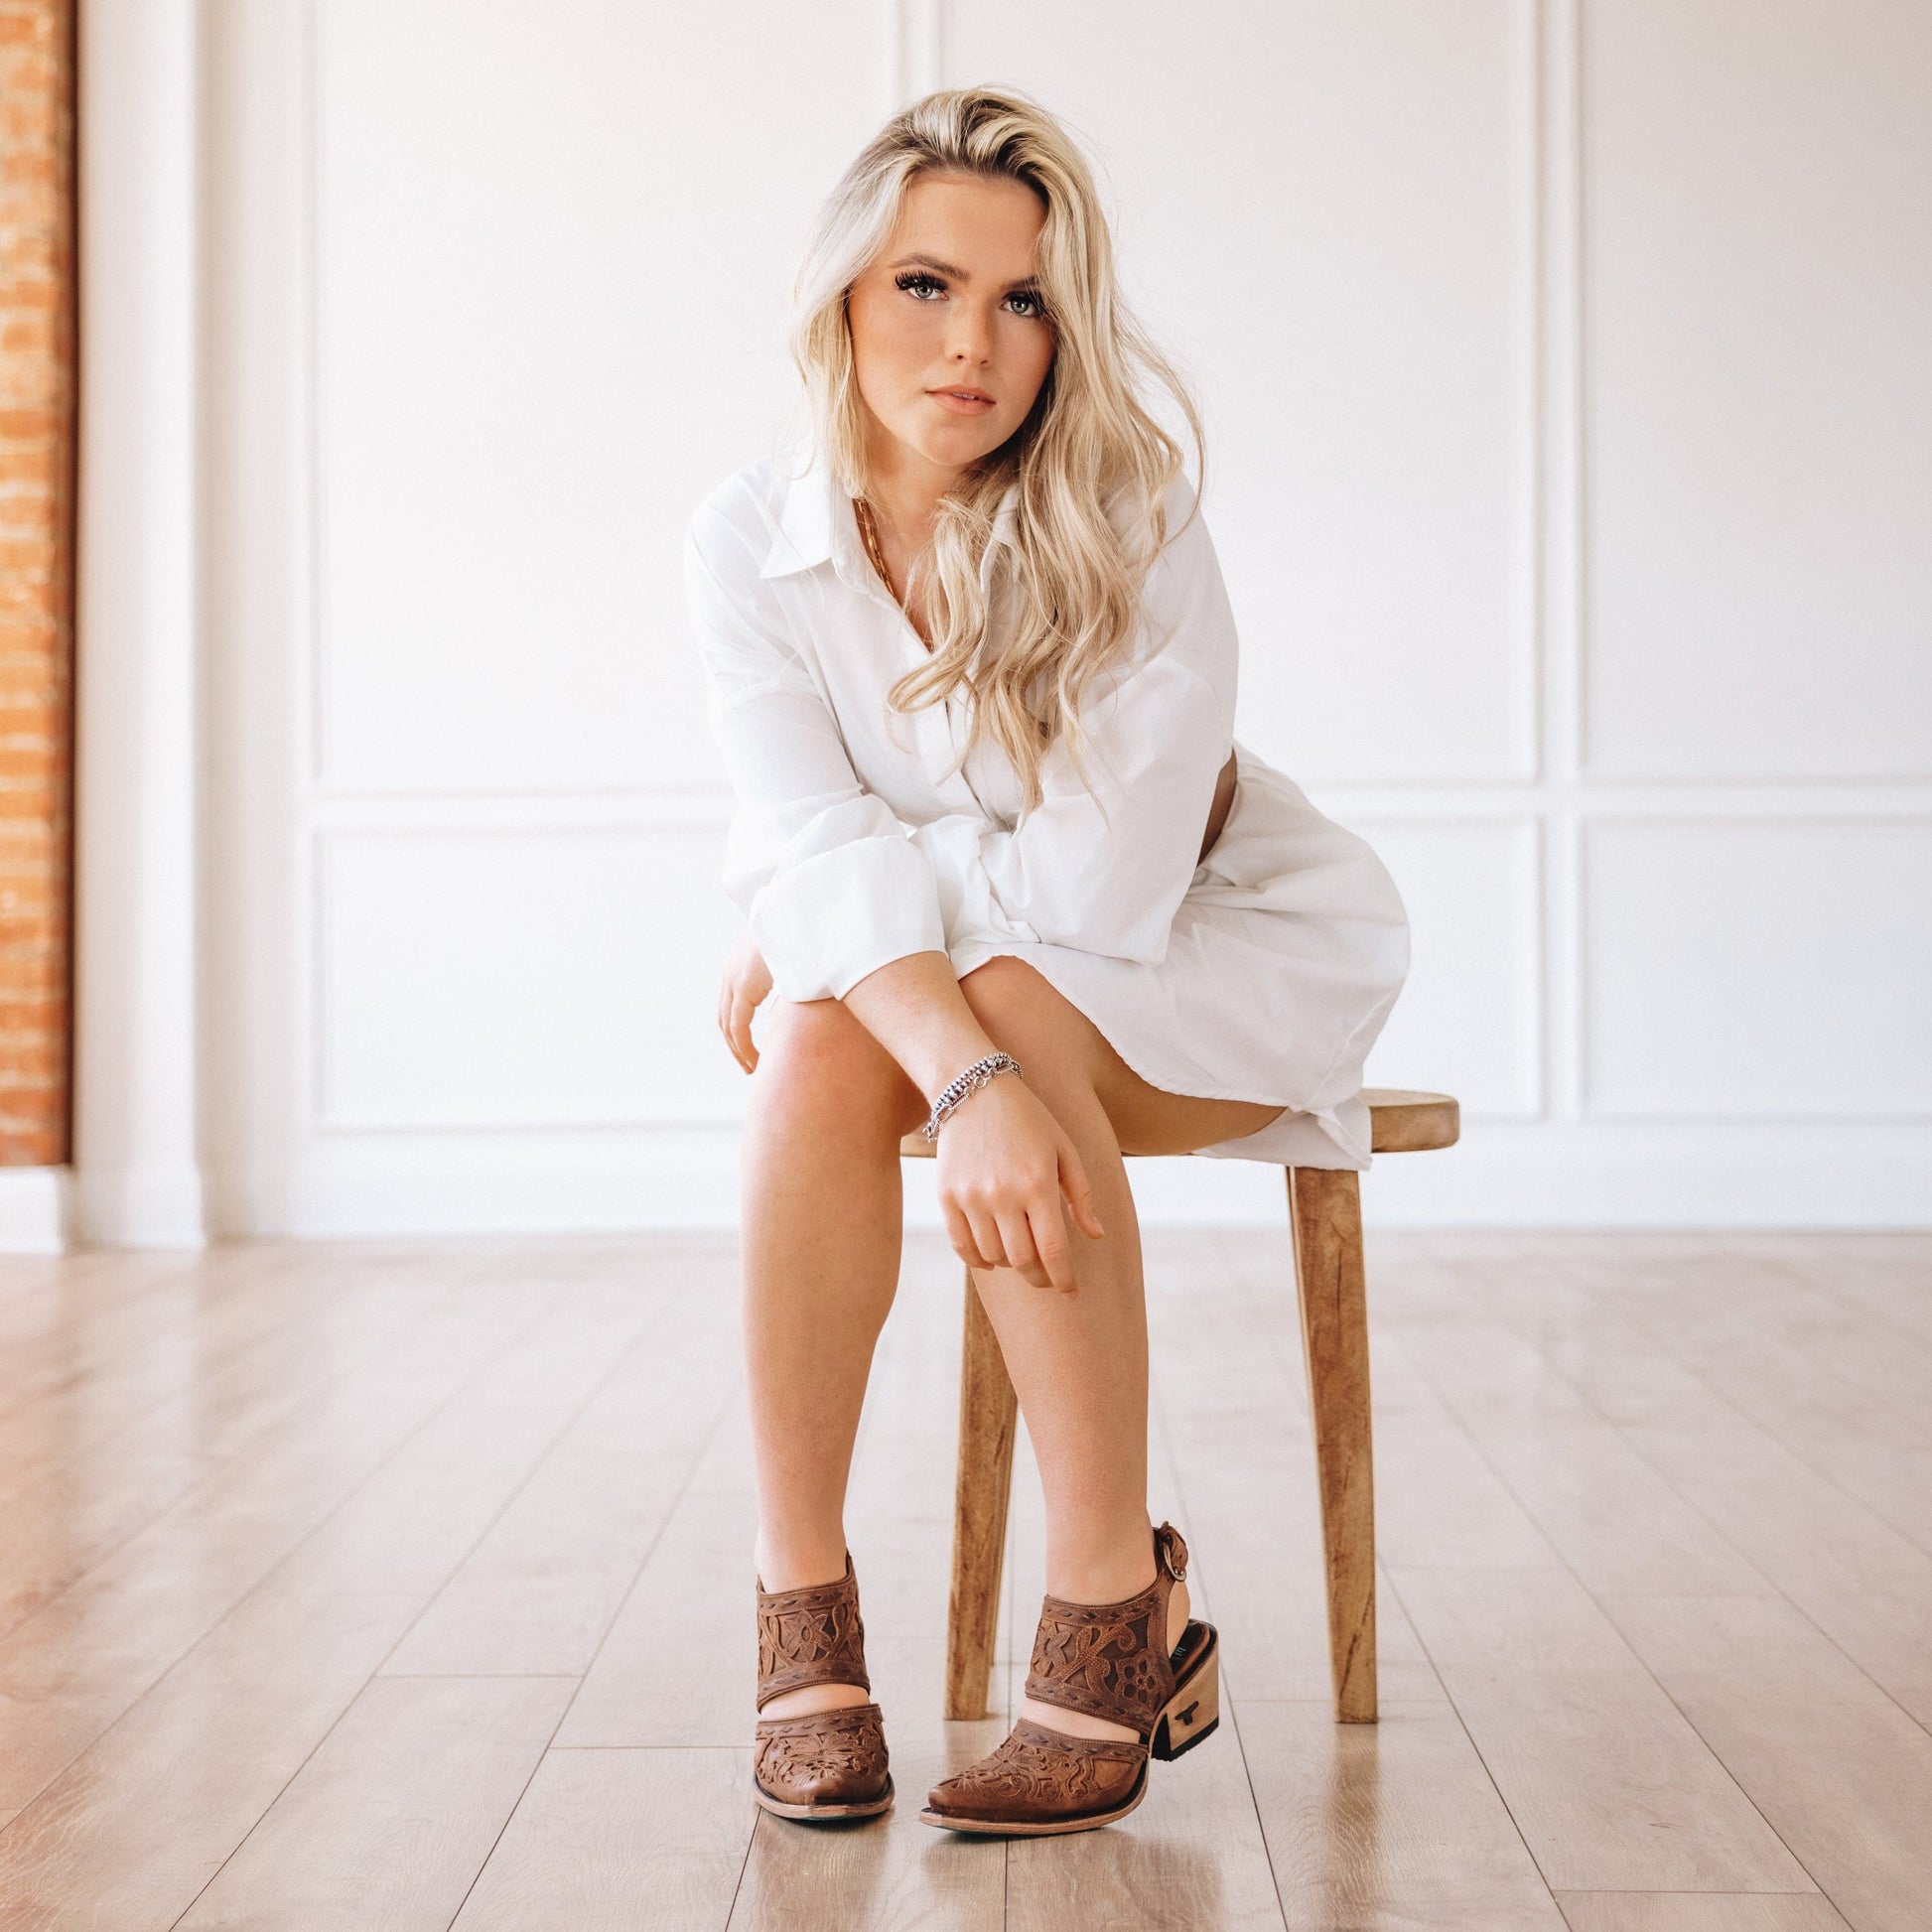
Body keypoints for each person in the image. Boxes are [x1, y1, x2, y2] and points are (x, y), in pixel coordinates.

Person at [686, 85, 1409, 1838]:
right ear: (846, 298)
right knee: (825, 1039)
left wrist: (829, 904)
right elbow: (823, 845)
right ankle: (802, 1608)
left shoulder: (1132, 520)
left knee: (919, 986)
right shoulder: (749, 539)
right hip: (1002, 992)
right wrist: (847, 934)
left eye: (1023, 302)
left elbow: (1093, 889)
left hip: (1220, 944)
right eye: (928, 285)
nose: (974, 342)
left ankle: (1105, 1600)